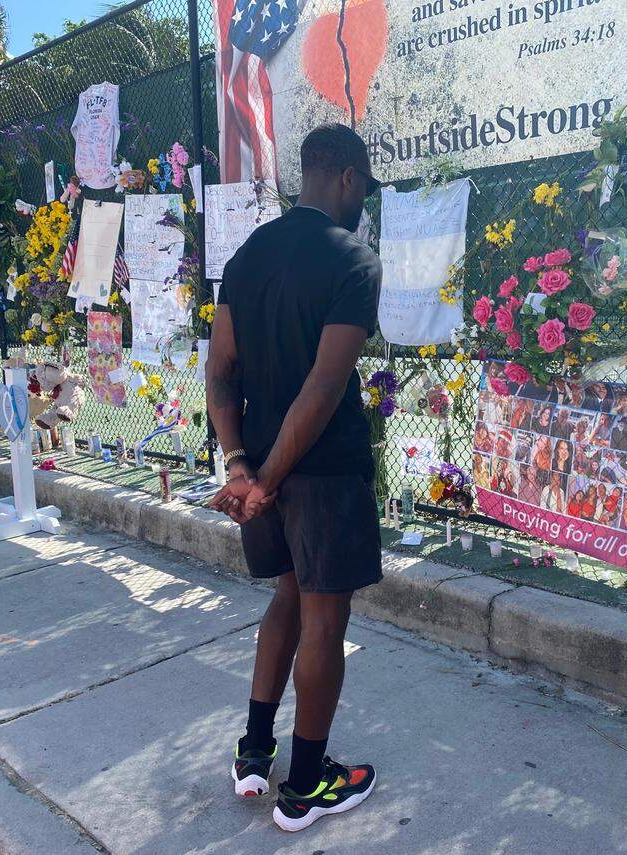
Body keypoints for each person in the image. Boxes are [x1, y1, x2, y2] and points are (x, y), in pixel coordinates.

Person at [205, 124, 381, 832]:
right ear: (343, 176)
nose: (363, 201)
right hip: (322, 472)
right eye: (363, 186)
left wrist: (242, 466)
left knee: (285, 596)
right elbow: (326, 383)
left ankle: (254, 753)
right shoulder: (353, 260)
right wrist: (270, 476)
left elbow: (220, 369)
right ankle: (305, 787)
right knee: (323, 618)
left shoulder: (247, 257)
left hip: (261, 474)